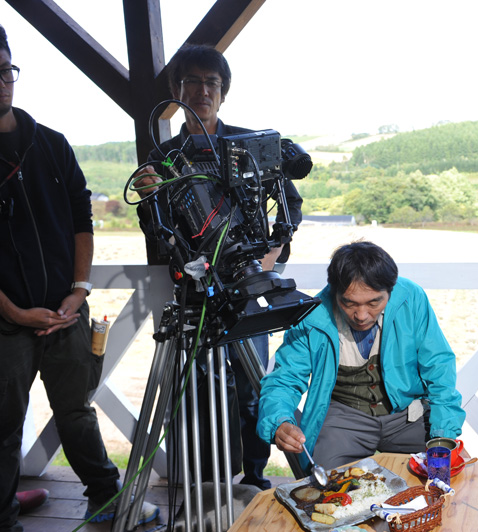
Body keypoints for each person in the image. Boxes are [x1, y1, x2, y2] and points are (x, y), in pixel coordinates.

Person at [0, 25, 158, 530]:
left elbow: (80, 221)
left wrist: (78, 290)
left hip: (67, 310)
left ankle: (106, 499)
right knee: (3, 425)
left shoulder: (51, 144)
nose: (1, 83)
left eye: (5, 71)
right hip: (6, 320)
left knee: (77, 410)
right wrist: (14, 311)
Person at [134, 44, 303, 490]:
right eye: (192, 81)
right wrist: (151, 198)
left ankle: (253, 475)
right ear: (177, 90)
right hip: (195, 294)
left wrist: (269, 258)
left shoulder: (252, 144)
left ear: (224, 91)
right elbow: (153, 228)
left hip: (249, 288)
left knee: (252, 388)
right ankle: (204, 481)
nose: (202, 91)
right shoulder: (163, 157)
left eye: (212, 83)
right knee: (196, 391)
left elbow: (291, 205)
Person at [257, 240, 466, 472]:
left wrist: (443, 434)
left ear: (391, 290)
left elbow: (439, 367)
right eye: (349, 303)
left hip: (408, 415)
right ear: (334, 291)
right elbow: (285, 379)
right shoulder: (310, 316)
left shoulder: (411, 298)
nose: (361, 315)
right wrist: (279, 420)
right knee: (328, 485)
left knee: (451, 471)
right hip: (342, 419)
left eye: (374, 302)